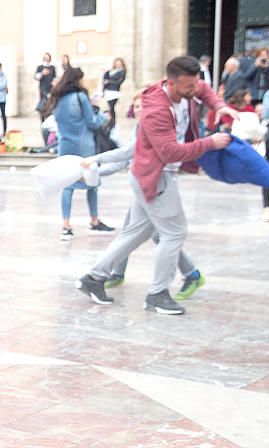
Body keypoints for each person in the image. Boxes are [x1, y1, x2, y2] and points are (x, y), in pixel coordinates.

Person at [77, 55, 237, 315]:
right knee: (174, 233)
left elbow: (204, 90)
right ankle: (157, 294)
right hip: (156, 176)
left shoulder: (186, 86)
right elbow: (170, 152)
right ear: (172, 84)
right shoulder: (156, 112)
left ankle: (93, 278)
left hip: (149, 175)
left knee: (136, 232)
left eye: (194, 85)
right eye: (187, 88)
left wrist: (220, 105)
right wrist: (211, 143)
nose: (193, 91)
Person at [81, 93, 205, 296]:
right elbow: (123, 162)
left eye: (142, 105)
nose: (138, 109)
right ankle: (113, 273)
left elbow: (126, 153)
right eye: (136, 105)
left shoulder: (154, 127)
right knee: (140, 232)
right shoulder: (138, 129)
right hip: (143, 185)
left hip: (154, 185)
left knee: (156, 234)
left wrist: (95, 160)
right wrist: (94, 172)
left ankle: (188, 275)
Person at [45, 67, 113, 240]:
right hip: (85, 147)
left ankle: (66, 225)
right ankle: (94, 219)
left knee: (67, 186)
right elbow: (92, 123)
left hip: (66, 146)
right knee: (92, 183)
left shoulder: (57, 99)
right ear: (77, 80)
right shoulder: (80, 97)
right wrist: (104, 116)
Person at [35, 53, 57, 143]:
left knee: (50, 108)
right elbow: (36, 77)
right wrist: (42, 74)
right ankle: (43, 123)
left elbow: (55, 78)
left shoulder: (52, 68)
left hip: (50, 91)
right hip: (42, 90)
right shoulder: (40, 67)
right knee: (42, 108)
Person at [103, 57, 127, 126]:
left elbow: (119, 82)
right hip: (108, 91)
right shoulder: (112, 71)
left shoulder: (122, 71)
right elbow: (105, 78)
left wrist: (109, 81)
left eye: (119, 64)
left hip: (114, 91)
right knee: (109, 107)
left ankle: (113, 122)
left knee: (111, 107)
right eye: (116, 64)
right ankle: (111, 121)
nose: (118, 65)